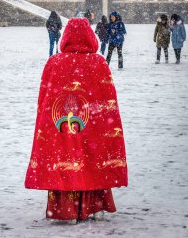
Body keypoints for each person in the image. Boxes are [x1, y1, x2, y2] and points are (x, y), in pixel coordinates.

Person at [25, 18, 127, 223]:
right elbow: (107, 100)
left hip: (60, 124)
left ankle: (66, 210)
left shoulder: (54, 62)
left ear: (65, 37)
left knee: (65, 160)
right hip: (95, 125)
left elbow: (44, 99)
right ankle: (95, 207)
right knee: (93, 160)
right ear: (91, 37)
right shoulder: (99, 62)